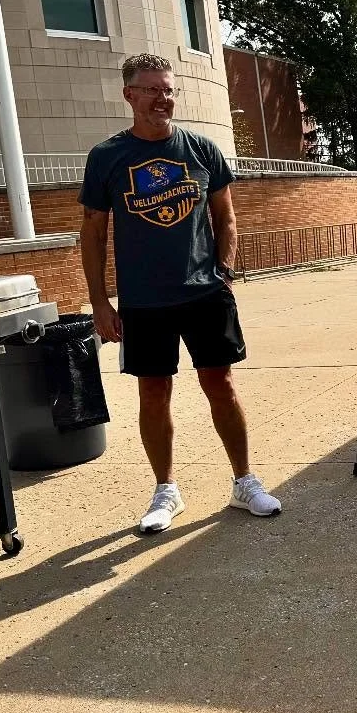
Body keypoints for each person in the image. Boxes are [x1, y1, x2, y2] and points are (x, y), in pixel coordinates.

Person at [79, 53, 281, 534]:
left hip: (204, 293)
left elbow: (225, 217)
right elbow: (93, 232)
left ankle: (244, 481)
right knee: (154, 392)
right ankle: (165, 490)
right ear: (129, 95)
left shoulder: (201, 149)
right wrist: (100, 301)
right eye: (151, 89)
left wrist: (224, 271)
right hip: (143, 300)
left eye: (167, 89)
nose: (161, 98)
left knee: (221, 383)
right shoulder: (107, 157)